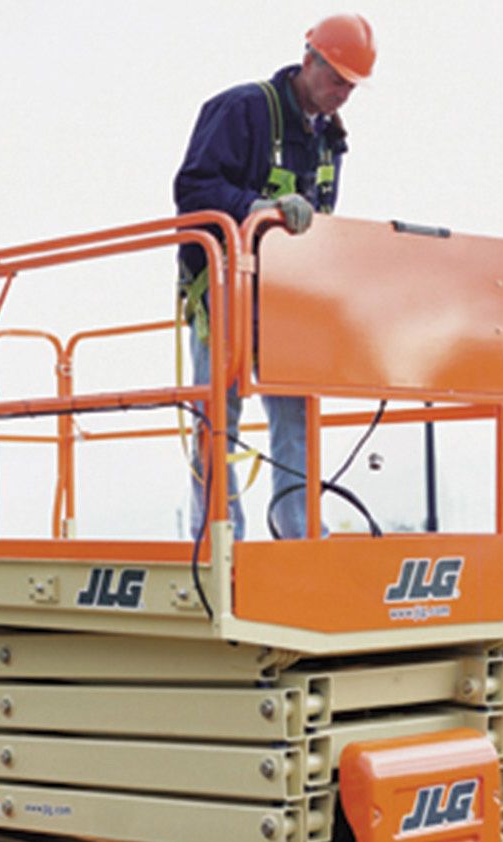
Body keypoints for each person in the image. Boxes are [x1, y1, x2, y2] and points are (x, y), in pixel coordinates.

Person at [174, 14, 376, 541]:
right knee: (218, 420)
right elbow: (193, 189)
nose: (342, 94)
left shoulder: (329, 139)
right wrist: (260, 207)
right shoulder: (244, 110)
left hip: (289, 302)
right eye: (336, 79)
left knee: (297, 423)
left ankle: (300, 536)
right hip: (224, 290)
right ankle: (219, 542)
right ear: (308, 59)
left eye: (352, 86)